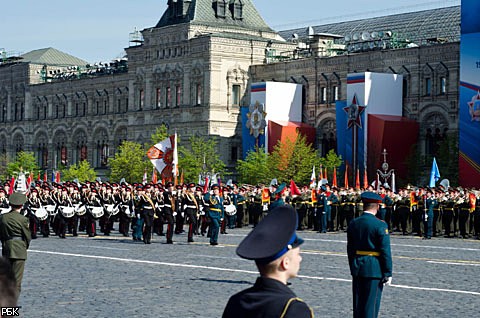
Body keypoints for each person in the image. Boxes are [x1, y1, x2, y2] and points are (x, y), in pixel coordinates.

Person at [223, 205, 313, 318]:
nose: (300, 258)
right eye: (298, 254)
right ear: (285, 263)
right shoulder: (293, 309)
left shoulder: (237, 301)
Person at [347, 192, 392, 318]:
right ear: (377, 207)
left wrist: (353, 265)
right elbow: (385, 251)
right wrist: (388, 272)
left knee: (358, 306)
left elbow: (350, 249)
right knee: (370, 307)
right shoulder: (380, 224)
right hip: (374, 268)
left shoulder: (354, 223)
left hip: (357, 266)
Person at [0, 192, 31, 297]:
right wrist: (24, 247)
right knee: (16, 282)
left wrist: (6, 243)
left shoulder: (3, 217)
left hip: (7, 248)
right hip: (19, 251)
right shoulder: (23, 219)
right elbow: (27, 236)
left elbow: (2, 234)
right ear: (22, 205)